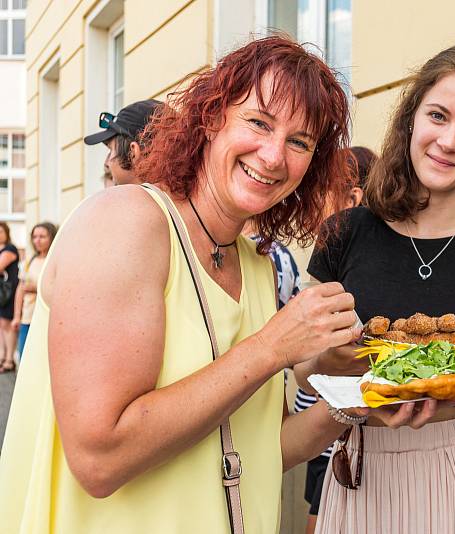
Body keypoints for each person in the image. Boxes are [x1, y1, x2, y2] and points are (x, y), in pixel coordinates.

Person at [0, 35, 365, 533]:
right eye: (258, 122)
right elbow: (99, 458)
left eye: (300, 141)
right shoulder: (129, 222)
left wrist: (360, 400)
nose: (274, 155)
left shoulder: (254, 266)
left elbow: (260, 445)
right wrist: (272, 347)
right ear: (211, 117)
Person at [298, 45, 455, 534]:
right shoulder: (346, 232)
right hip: (358, 470)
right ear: (412, 118)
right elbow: (305, 376)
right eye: (437, 115)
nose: (448, 141)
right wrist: (330, 359)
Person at [294, 145, 376, 534]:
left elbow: (310, 364)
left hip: (334, 436)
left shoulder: (344, 265)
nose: (308, 200)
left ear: (353, 199)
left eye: (319, 189)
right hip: (322, 431)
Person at [84, 99, 162, 185]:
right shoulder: (173, 196)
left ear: (132, 153)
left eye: (111, 150)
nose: (106, 163)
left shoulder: (129, 198)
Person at [12, 222, 58, 359]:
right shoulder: (29, 260)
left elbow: (58, 290)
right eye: (34, 236)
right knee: (24, 357)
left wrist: (36, 288)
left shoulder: (54, 261)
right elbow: (21, 289)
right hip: (27, 317)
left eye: (42, 236)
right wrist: (16, 316)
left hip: (47, 319)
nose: (37, 240)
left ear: (52, 237)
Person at [0, 221, 19, 373]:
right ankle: (2, 356)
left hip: (9, 292)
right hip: (2, 293)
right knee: (1, 325)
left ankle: (9, 360)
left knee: (8, 325)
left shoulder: (10, 249)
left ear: (6, 233)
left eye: (1, 232)